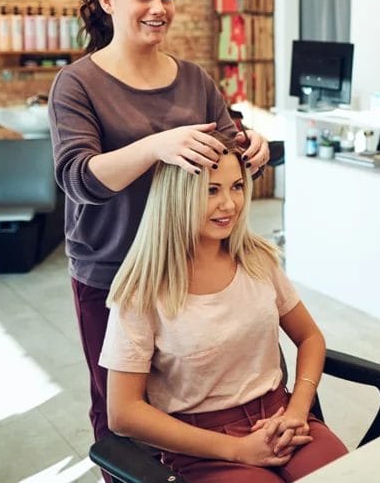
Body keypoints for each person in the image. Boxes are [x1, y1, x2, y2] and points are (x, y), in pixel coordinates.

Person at [48, 0, 270, 449]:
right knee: (121, 408)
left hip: (192, 265)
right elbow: (77, 178)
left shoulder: (193, 78)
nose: (158, 9)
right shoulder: (77, 84)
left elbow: (227, 150)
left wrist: (253, 146)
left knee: (190, 399)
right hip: (115, 271)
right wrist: (155, 146)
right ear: (108, 1)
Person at [100, 133, 348, 482]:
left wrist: (297, 409)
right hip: (203, 446)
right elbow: (123, 413)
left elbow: (310, 337)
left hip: (281, 417)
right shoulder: (143, 292)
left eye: (236, 186)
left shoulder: (258, 260)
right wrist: (237, 449)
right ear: (177, 197)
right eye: (212, 190)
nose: (230, 204)